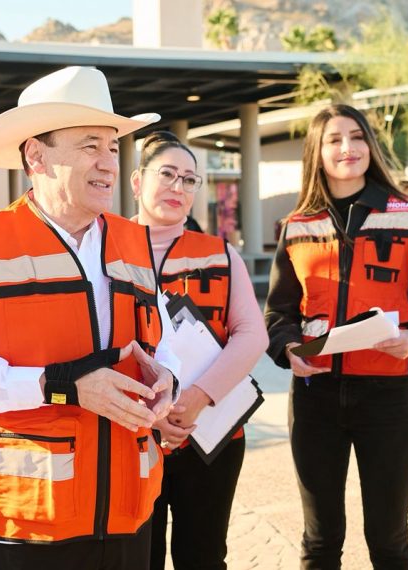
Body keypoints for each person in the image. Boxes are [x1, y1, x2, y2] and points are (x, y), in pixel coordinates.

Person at [0, 66, 180, 570]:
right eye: (90, 146)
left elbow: (163, 343)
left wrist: (169, 378)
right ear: (35, 157)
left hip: (132, 516)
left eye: (112, 147)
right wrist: (61, 386)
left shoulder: (134, 242)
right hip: (35, 525)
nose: (109, 163)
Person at [264, 105, 408, 569]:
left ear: (370, 145)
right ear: (317, 150)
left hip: (387, 398)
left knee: (388, 541)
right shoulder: (296, 225)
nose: (347, 148)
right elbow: (279, 312)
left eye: (356, 137)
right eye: (333, 139)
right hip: (315, 398)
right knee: (320, 541)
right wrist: (289, 348)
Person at [130, 132, 268, 570]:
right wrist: (155, 414)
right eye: (167, 174)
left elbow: (252, 335)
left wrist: (195, 399)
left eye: (190, 180)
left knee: (203, 558)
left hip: (210, 432)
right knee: (137, 558)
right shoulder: (102, 250)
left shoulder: (221, 254)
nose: (178, 187)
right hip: (131, 435)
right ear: (136, 182)